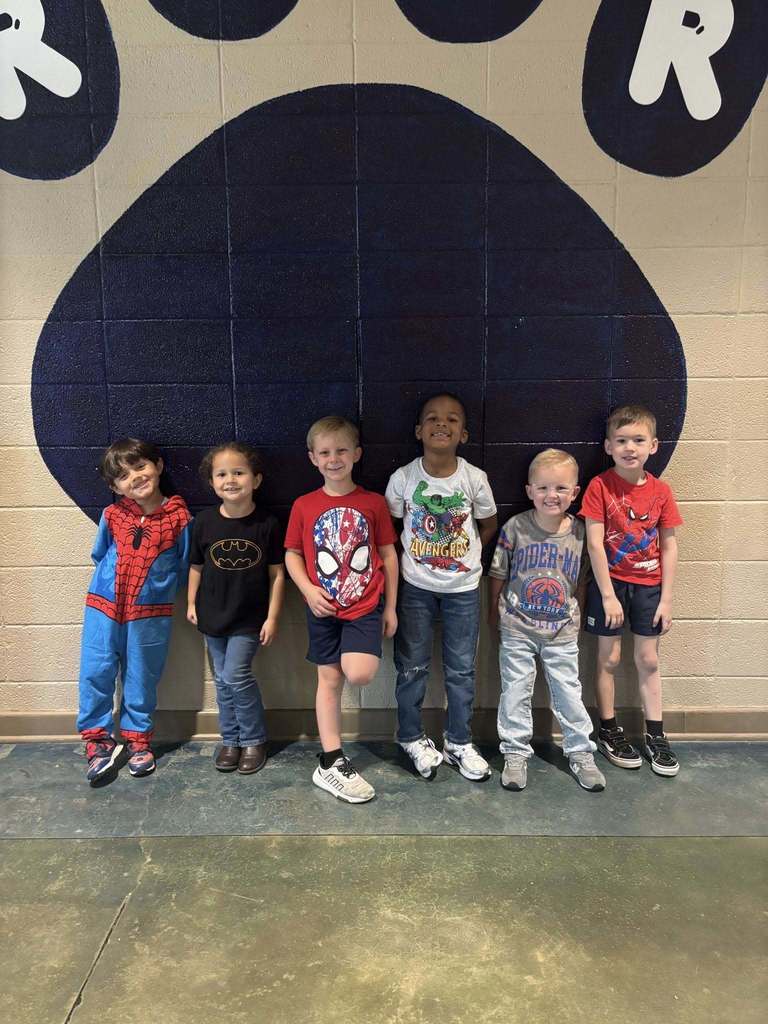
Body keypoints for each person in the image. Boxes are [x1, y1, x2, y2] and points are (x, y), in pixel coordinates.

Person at [284, 416, 398, 803]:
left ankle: (332, 759)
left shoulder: (373, 502)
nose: (334, 459)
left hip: (365, 605)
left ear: (357, 455)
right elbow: (292, 554)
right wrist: (308, 589)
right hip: (321, 608)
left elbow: (388, 554)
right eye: (326, 452)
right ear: (313, 458)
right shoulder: (304, 505)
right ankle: (330, 760)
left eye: (342, 450)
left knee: (360, 673)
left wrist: (391, 607)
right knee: (328, 681)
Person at [386, 393, 497, 782]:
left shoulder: (474, 478)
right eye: (432, 418)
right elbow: (393, 527)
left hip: (463, 588)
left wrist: (466, 558)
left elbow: (488, 524)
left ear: (463, 434)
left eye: (452, 419)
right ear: (418, 431)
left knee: (461, 669)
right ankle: (411, 737)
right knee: (412, 666)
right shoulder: (403, 478)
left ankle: (459, 741)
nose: (441, 424)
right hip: (415, 586)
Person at [488, 449, 605, 792]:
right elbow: (497, 574)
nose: (550, 496)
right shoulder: (516, 528)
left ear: (575, 492)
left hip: (561, 632)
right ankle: (514, 752)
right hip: (517, 628)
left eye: (560, 489)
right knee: (515, 691)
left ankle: (581, 752)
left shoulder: (581, 534)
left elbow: (581, 582)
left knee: (569, 691)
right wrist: (493, 614)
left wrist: (577, 619)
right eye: (542, 488)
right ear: (529, 491)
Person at [77, 439, 191, 783]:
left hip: (150, 614)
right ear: (115, 487)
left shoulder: (181, 518)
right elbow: (100, 554)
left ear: (158, 465)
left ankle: (138, 740)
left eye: (140, 466)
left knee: (142, 675)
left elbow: (185, 567)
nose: (135, 477)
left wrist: (157, 588)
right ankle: (97, 740)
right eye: (123, 476)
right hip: (103, 607)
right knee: (96, 670)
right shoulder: (112, 516)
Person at [581, 404, 683, 776]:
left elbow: (669, 544)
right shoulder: (599, 486)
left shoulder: (660, 491)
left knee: (648, 660)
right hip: (611, 585)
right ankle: (608, 729)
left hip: (649, 586)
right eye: (621, 440)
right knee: (608, 658)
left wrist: (667, 598)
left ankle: (655, 734)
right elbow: (593, 544)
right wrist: (607, 594)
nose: (629, 447)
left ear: (653, 446)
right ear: (608, 446)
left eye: (638, 440)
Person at [187, 443, 285, 776]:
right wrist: (190, 603)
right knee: (223, 681)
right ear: (212, 482)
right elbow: (196, 567)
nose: (231, 480)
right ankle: (230, 740)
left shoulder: (268, 523)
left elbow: (277, 574)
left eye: (239, 472)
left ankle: (255, 739)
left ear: (256, 480)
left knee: (236, 675)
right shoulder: (203, 523)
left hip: (249, 618)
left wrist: (273, 616)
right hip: (212, 615)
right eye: (222, 474)